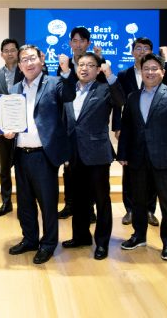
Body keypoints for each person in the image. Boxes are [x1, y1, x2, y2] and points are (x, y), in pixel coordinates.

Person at [117, 53, 167, 261]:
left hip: (164, 157)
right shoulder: (133, 97)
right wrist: (122, 154)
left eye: (154, 69)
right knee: (138, 201)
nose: (150, 72)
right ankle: (139, 235)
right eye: (146, 69)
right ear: (141, 71)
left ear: (162, 72)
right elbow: (127, 127)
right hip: (137, 158)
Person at [7, 45, 74, 264]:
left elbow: (70, 94)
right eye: (24, 60)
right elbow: (9, 119)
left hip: (44, 155)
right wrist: (6, 130)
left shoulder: (54, 83)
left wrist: (66, 71)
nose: (29, 63)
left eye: (32, 58)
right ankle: (29, 239)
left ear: (41, 60)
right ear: (19, 65)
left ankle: (48, 244)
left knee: (47, 203)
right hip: (20, 154)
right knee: (25, 203)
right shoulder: (14, 89)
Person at [60, 52, 125, 260]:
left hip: (97, 154)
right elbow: (66, 122)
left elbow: (120, 100)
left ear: (98, 70)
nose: (84, 68)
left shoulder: (105, 89)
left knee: (101, 200)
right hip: (74, 154)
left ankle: (102, 243)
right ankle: (81, 237)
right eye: (81, 64)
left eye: (90, 65)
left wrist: (110, 75)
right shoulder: (69, 89)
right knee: (78, 199)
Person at [112, 37, 167, 227]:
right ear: (132, 52)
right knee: (130, 172)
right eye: (138, 48)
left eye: (146, 48)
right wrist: (117, 126)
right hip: (132, 130)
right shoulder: (124, 74)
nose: (141, 51)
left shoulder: (156, 72)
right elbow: (118, 101)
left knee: (153, 172)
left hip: (155, 133)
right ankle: (130, 209)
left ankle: (149, 210)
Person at [57, 26, 103, 221]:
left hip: (90, 133)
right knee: (69, 171)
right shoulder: (64, 65)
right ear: (70, 43)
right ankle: (70, 205)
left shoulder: (97, 63)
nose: (78, 44)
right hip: (69, 128)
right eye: (74, 41)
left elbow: (106, 92)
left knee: (90, 175)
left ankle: (89, 208)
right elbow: (60, 95)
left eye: (82, 41)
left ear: (88, 43)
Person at [0, 38, 24, 217]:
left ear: (18, 52)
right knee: (4, 168)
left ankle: (24, 204)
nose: (10, 53)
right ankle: (6, 202)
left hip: (23, 129)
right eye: (6, 50)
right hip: (2, 129)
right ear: (1, 54)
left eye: (13, 50)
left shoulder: (25, 71)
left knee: (23, 168)